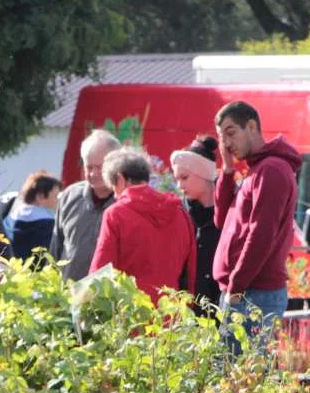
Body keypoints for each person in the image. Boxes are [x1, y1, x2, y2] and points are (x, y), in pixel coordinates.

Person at [214, 101, 303, 355]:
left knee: (239, 376)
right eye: (222, 138)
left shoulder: (271, 170)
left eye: (231, 133)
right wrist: (228, 170)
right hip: (244, 289)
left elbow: (261, 234)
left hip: (253, 291)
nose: (228, 144)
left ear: (251, 126)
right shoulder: (255, 171)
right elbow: (222, 221)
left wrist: (236, 286)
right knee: (235, 376)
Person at [88, 148, 196, 304]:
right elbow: (189, 273)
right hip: (172, 314)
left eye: (114, 189)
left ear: (120, 180)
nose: (116, 197)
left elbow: (100, 274)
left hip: (132, 315)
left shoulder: (116, 214)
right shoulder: (180, 213)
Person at [50, 129, 121, 281]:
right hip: (69, 296)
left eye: (100, 167)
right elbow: (56, 250)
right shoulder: (69, 197)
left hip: (110, 298)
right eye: (89, 167)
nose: (93, 174)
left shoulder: (125, 203)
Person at [171, 135, 222, 316]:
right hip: (189, 306)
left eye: (184, 178)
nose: (180, 186)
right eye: (177, 179)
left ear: (204, 174)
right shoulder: (180, 211)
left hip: (222, 303)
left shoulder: (230, 209)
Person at [10, 171, 62, 261]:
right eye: (55, 196)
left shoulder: (11, 217)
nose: (57, 201)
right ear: (40, 196)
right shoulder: (47, 223)